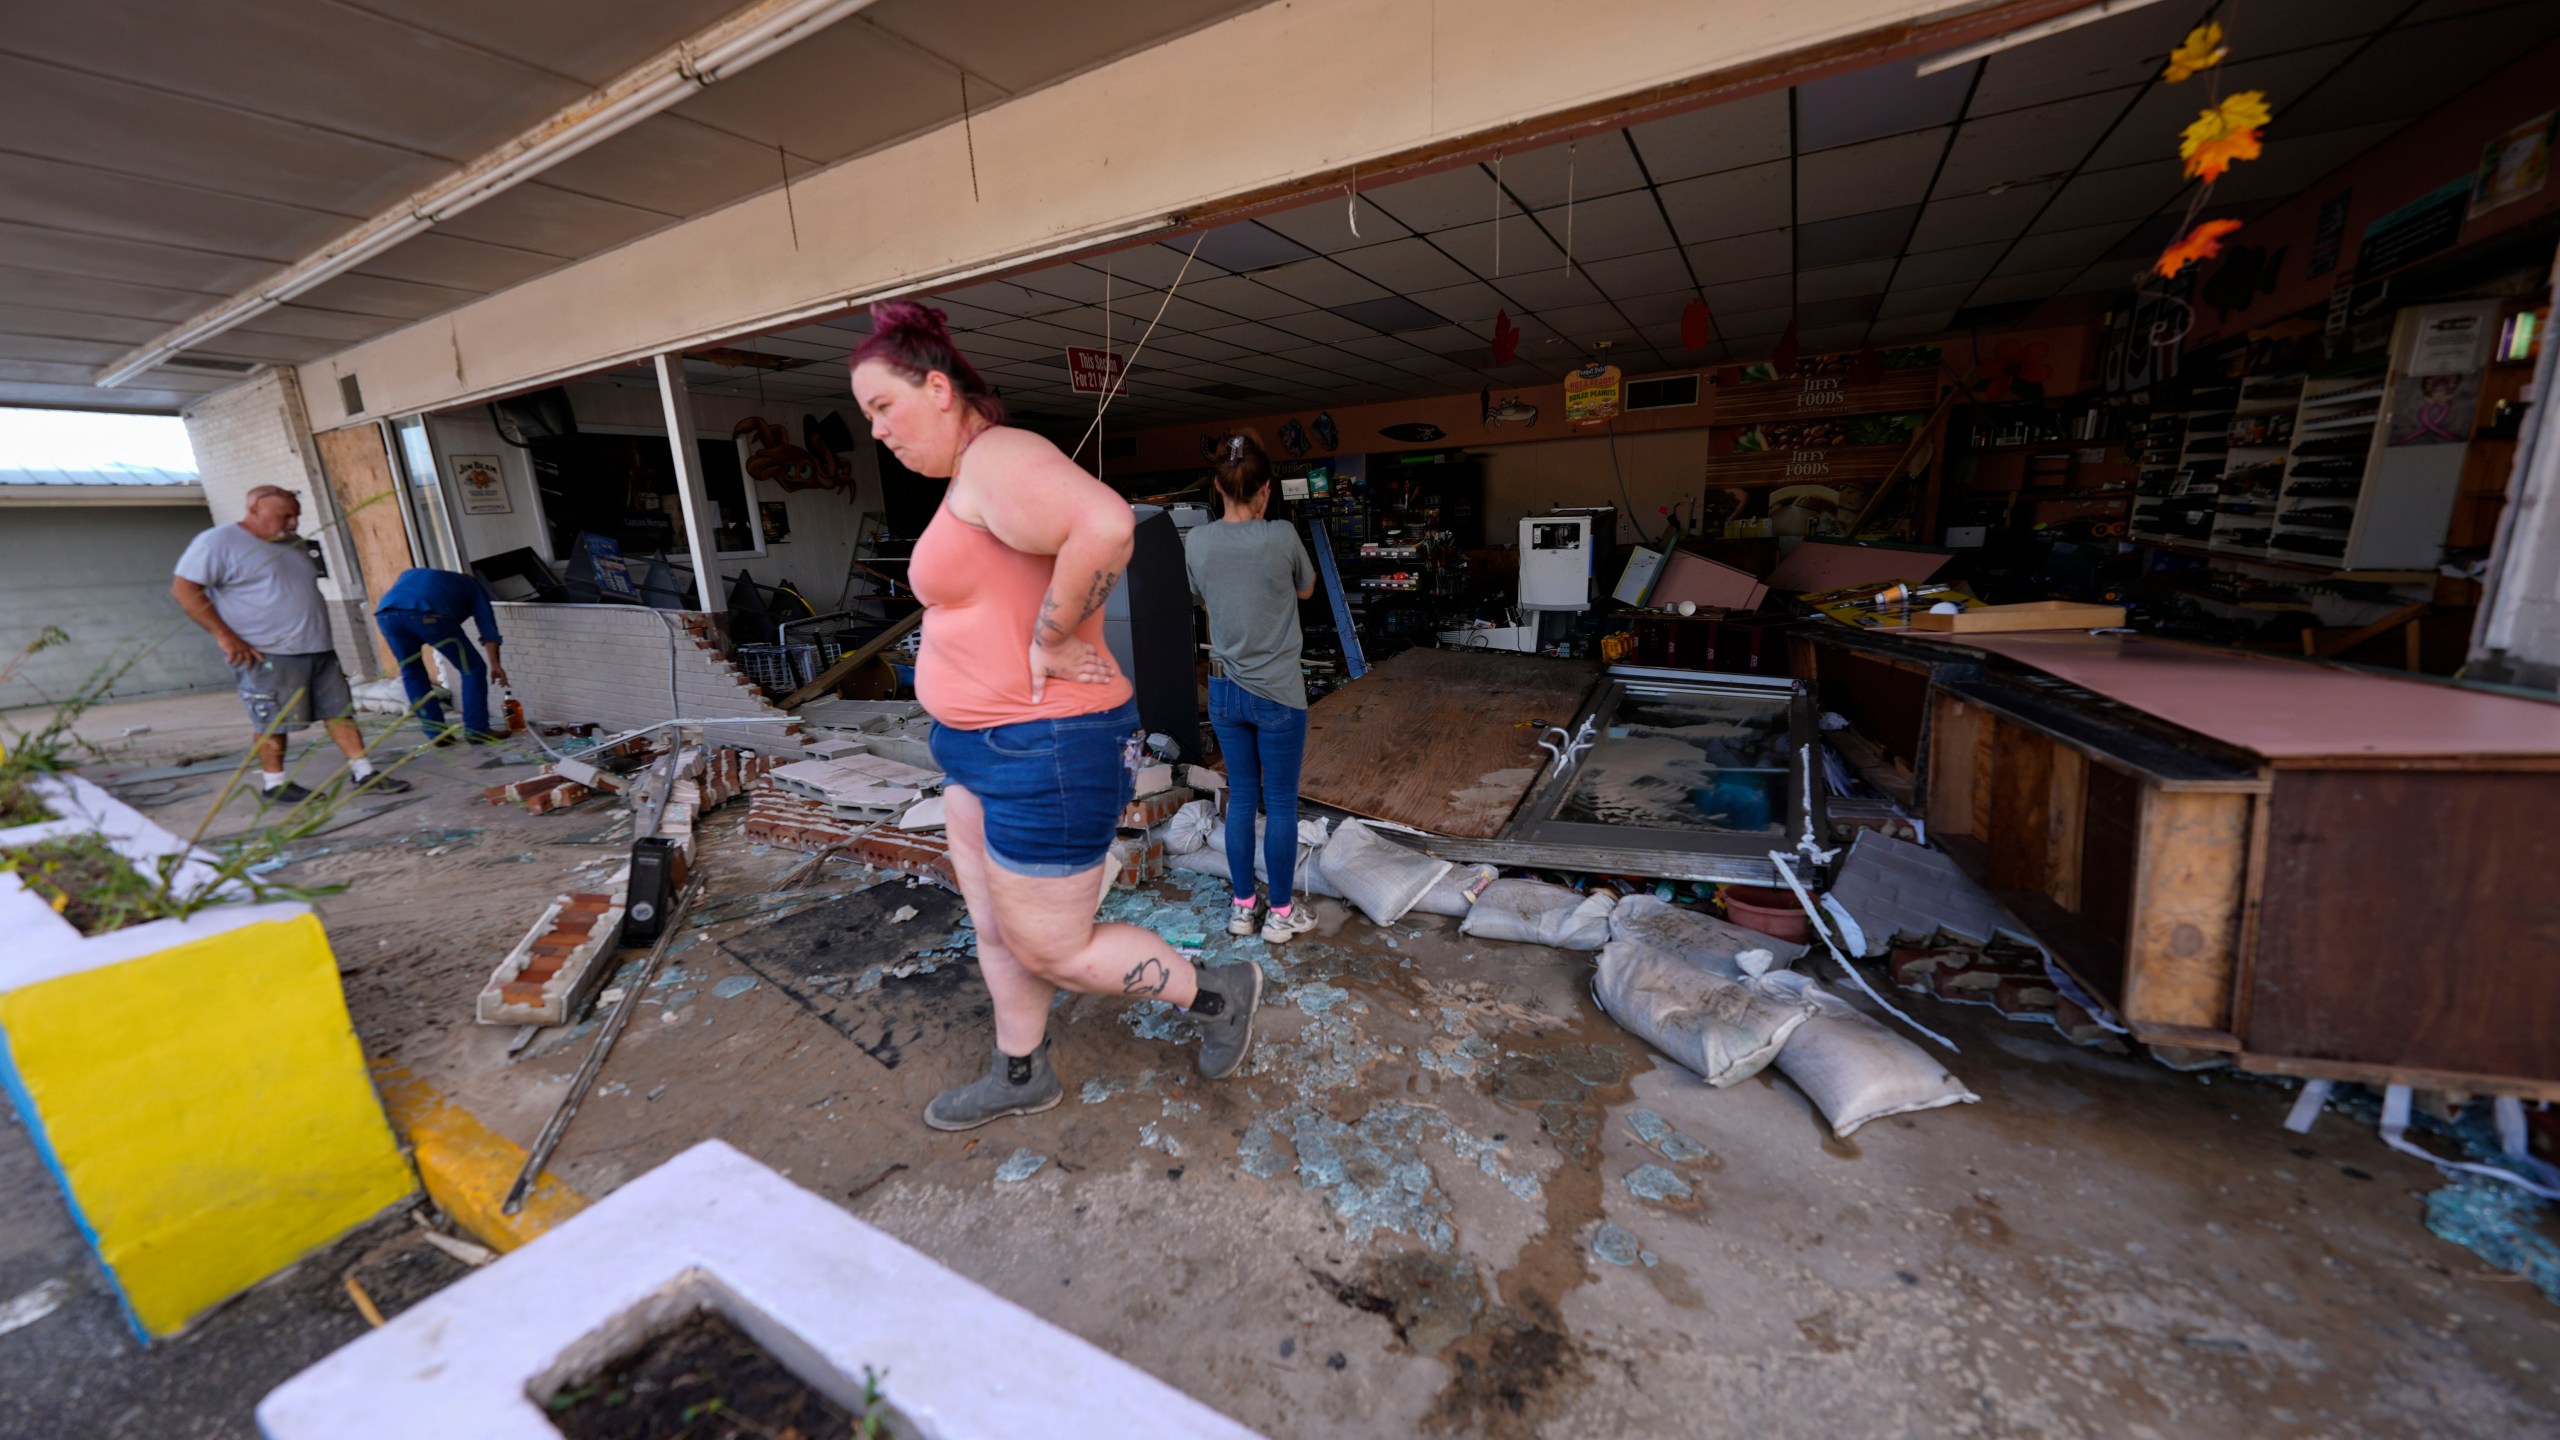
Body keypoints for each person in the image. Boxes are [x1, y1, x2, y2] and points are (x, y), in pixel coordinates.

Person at [851, 301, 1263, 1131]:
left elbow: (1107, 525)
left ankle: (1219, 993)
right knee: (994, 925)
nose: (877, 433)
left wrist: (1047, 638)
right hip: (981, 747)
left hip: (1048, 749)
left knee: (1054, 949)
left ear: (938, 389)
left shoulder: (998, 456)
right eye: (867, 416)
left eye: (883, 408)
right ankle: (1020, 1073)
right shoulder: (971, 479)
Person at [172, 485, 409, 802]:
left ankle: (364, 772)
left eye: (296, 516)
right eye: (285, 516)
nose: (293, 523)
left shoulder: (292, 544)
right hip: (267, 651)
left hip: (318, 647)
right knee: (273, 720)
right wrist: (226, 636)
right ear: (254, 510)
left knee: (339, 712)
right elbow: (185, 590)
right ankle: (274, 784)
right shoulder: (218, 542)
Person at [1182, 434, 1318, 943]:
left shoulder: (1197, 541)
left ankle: (1243, 909)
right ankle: (1280, 914)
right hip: (1279, 692)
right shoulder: (1282, 536)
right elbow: (1305, 588)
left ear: (1218, 487)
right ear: (1265, 490)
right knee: (1280, 803)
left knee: (1241, 799)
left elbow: (1199, 595)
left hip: (1224, 691)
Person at [374, 567, 510, 744]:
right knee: (473, 668)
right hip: (429, 615)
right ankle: (477, 729)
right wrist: (495, 665)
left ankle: (436, 733)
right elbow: (488, 630)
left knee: (412, 673)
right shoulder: (474, 588)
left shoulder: (414, 574)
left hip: (386, 615)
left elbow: (405, 600)